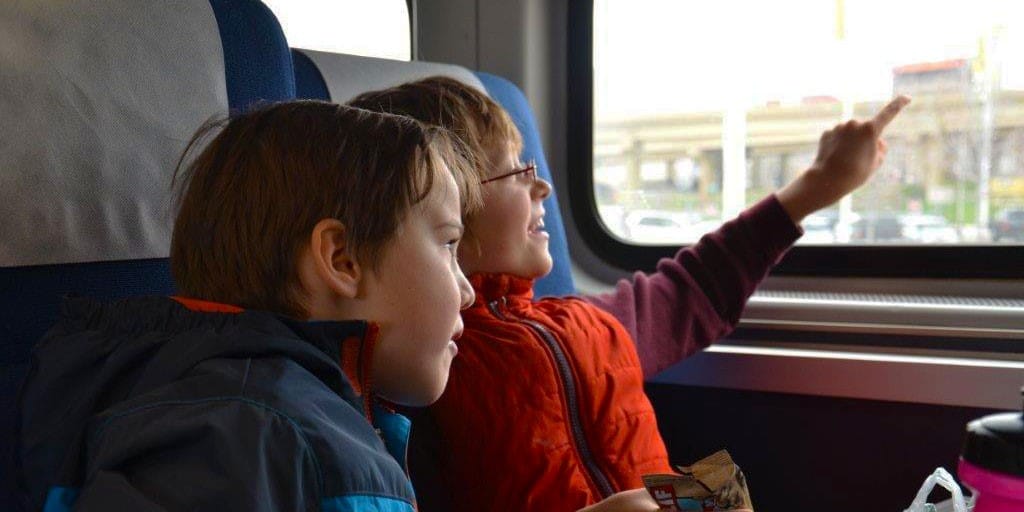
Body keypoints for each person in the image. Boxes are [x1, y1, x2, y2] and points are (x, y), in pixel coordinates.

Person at [350, 77, 910, 512]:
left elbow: (694, 289)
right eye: (517, 172)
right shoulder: (420, 366)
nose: (541, 184)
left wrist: (817, 186)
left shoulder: (588, 324)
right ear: (450, 206)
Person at [16, 101, 480, 511]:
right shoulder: (240, 434)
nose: (467, 291)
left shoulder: (285, 421)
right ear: (344, 260)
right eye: (449, 244)